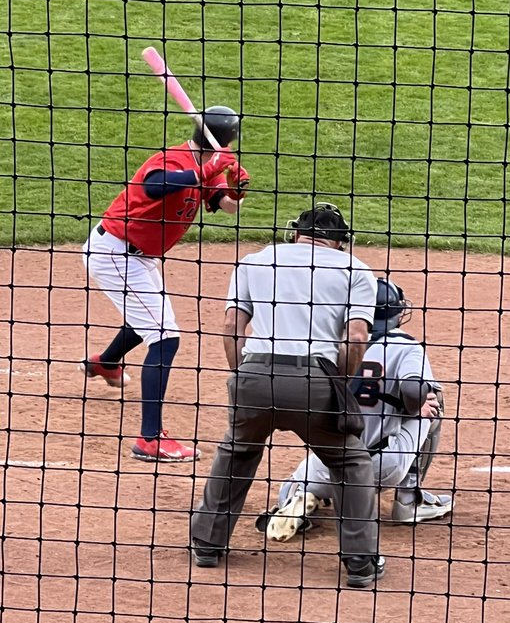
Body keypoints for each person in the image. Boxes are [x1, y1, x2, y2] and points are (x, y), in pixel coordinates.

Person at [191, 202, 386, 588]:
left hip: (256, 373)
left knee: (238, 450)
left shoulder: (254, 261)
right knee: (350, 462)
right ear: (339, 241)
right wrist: (338, 385)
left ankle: (206, 545)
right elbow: (357, 337)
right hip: (314, 378)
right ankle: (361, 563)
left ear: (296, 233)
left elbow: (232, 326)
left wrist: (242, 375)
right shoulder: (356, 270)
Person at [81, 106, 250, 463]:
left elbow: (226, 205)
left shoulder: (214, 163)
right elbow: (153, 186)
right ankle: (150, 439)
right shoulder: (172, 159)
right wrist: (207, 170)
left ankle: (106, 363)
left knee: (149, 318)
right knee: (165, 336)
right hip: (115, 253)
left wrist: (236, 189)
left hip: (138, 257)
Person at [260, 277, 453, 543]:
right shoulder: (405, 345)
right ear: (395, 313)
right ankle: (409, 500)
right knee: (431, 399)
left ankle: (300, 492)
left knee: (322, 429)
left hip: (327, 464)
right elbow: (412, 391)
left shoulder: (328, 341)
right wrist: (415, 407)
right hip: (380, 468)